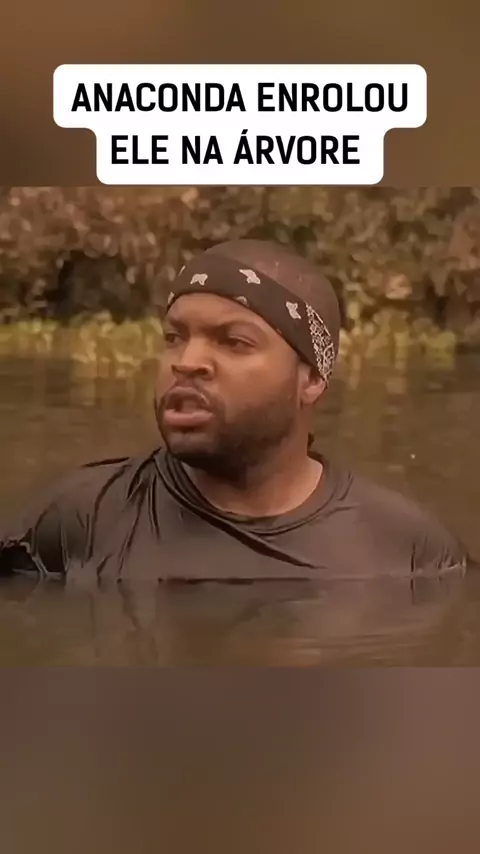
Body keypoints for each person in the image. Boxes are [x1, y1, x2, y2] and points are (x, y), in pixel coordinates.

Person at [0, 239, 470, 583]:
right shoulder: (76, 522)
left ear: (311, 379)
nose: (187, 361)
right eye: (175, 337)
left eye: (234, 342)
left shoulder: (412, 552)